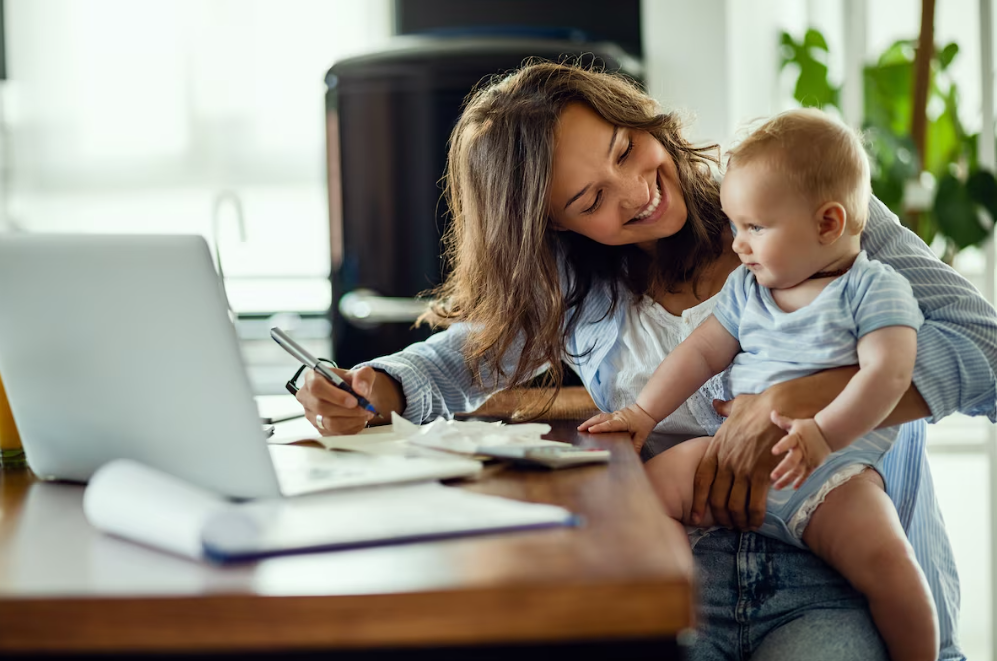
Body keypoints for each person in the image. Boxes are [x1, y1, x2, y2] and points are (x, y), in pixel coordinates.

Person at [296, 61, 996, 660]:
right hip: (680, 570)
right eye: (590, 198)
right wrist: (377, 384)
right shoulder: (579, 284)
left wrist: (796, 399)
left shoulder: (800, 200)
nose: (635, 189)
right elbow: (462, 356)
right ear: (554, 226)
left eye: (626, 148)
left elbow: (986, 351)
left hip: (837, 569)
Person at [580, 108, 937, 660]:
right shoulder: (749, 289)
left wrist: (822, 432)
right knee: (642, 491)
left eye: (755, 228)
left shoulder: (874, 290)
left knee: (891, 564)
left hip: (830, 474)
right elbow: (699, 352)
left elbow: (888, 376)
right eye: (735, 225)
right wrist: (644, 413)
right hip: (725, 456)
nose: (738, 245)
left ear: (827, 224)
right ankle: (680, 604)